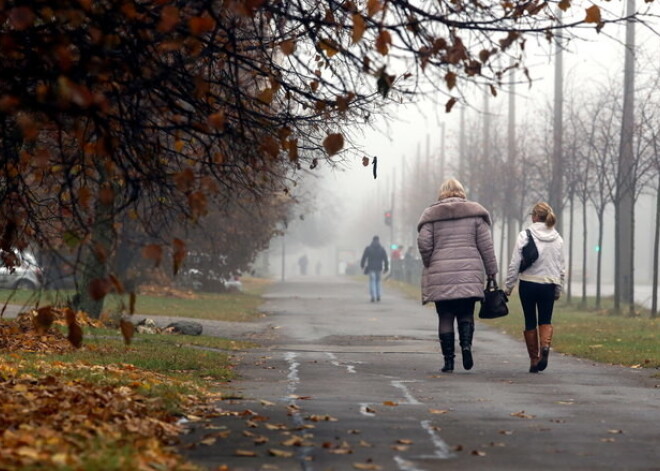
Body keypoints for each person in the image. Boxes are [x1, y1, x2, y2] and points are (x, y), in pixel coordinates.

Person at [417, 178, 498, 373]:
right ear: (462, 191)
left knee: (445, 316)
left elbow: (424, 244)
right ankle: (466, 347)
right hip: (468, 273)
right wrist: (491, 271)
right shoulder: (475, 215)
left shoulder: (431, 216)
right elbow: (486, 247)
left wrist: (430, 262)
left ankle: (449, 361)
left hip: (440, 275)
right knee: (466, 313)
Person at [504, 202, 565, 373]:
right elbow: (561, 267)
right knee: (545, 319)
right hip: (549, 284)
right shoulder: (558, 238)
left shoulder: (525, 235)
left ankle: (533, 360)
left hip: (528, 284)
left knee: (530, 320)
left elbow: (515, 263)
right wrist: (558, 289)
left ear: (536, 217)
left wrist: (508, 286)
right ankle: (545, 347)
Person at [360, 235, 389, 302]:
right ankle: (378, 295)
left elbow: (364, 257)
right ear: (378, 240)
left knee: (372, 281)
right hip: (379, 268)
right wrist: (386, 268)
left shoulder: (368, 248)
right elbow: (385, 259)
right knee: (378, 282)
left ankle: (373, 296)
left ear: (372, 240)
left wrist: (362, 266)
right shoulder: (382, 249)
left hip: (371, 268)